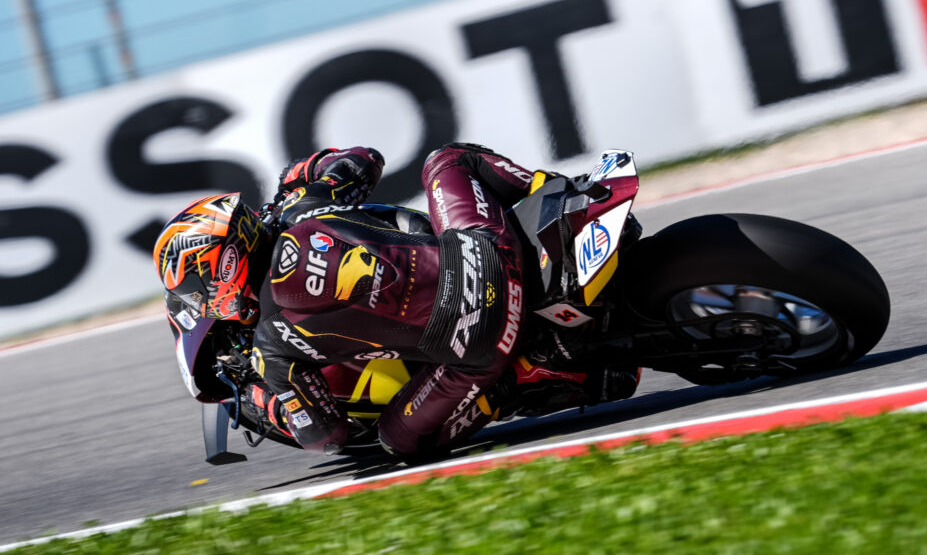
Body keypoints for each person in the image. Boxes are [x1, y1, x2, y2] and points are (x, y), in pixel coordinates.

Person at [154, 143, 638, 460]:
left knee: (397, 440)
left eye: (199, 291)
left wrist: (269, 401)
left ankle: (526, 376)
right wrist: (306, 172)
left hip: (480, 346)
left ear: (220, 272)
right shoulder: (305, 205)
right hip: (486, 251)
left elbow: (327, 435)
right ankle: (559, 194)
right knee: (448, 159)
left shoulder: (269, 349)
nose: (204, 301)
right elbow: (365, 158)